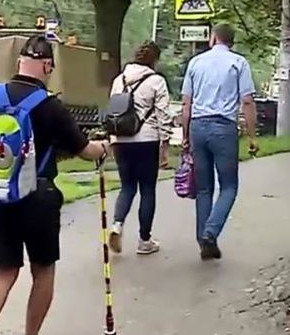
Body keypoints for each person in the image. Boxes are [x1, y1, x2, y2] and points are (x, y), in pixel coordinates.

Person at [0, 35, 109, 335]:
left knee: (4, 269)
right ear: (46, 66)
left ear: (19, 63)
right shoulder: (50, 106)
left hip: (0, 194)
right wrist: (102, 149)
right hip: (39, 197)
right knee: (43, 271)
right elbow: (84, 150)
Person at [179, 23, 257, 261]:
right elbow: (247, 101)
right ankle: (210, 233)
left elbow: (186, 103)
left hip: (198, 128)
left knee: (204, 188)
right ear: (231, 41)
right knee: (229, 186)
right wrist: (252, 136)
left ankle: (204, 238)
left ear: (213, 37)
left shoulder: (196, 62)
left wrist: (185, 135)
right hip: (223, 128)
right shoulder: (239, 63)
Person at [107, 40, 172, 255]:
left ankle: (117, 225)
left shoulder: (119, 80)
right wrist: (165, 145)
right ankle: (145, 241)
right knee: (147, 190)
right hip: (146, 141)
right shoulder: (156, 81)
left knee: (127, 187)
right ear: (155, 59)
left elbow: (113, 109)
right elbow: (163, 115)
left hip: (121, 139)